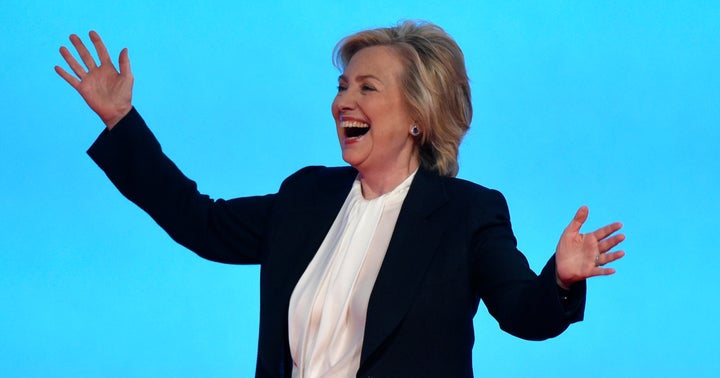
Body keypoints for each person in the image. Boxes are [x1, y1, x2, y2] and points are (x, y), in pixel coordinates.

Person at [56, 21, 625, 377]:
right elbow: (200, 223)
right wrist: (121, 122)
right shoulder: (308, 196)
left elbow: (524, 312)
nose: (342, 102)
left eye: (366, 88)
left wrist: (562, 279)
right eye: (342, 86)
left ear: (417, 118)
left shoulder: (465, 213)